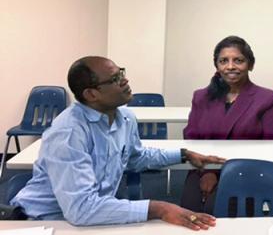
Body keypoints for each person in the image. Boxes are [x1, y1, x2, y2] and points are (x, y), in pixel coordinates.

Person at [11, 56, 225, 229]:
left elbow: (135, 157)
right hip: (46, 222)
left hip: (92, 216)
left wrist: (183, 154)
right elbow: (81, 209)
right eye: (114, 80)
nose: (125, 81)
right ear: (91, 94)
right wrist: (159, 208)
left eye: (121, 73)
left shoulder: (124, 118)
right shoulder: (69, 132)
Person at [181, 36, 273, 214]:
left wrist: (227, 174)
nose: (230, 66)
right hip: (203, 169)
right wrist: (208, 172)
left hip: (249, 172)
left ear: (250, 65)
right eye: (223, 61)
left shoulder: (269, 99)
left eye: (238, 60)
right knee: (192, 217)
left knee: (224, 215)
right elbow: (191, 138)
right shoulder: (201, 97)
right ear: (217, 66)